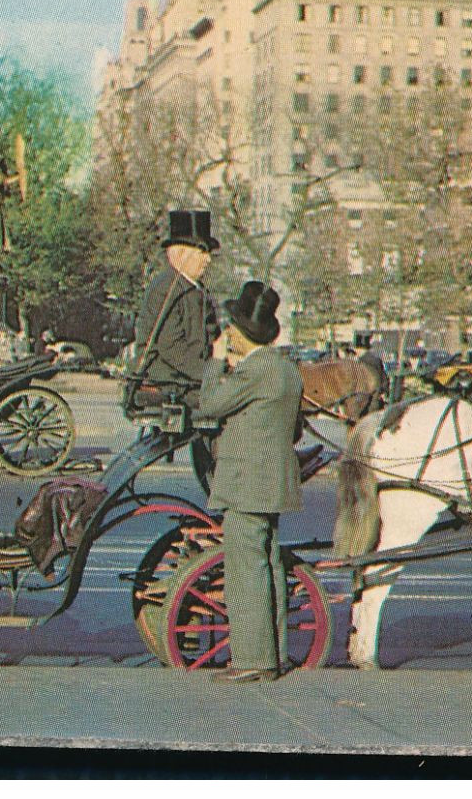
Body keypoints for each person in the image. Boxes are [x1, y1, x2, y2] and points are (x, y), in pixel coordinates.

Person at [197, 280, 302, 683]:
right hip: (272, 484)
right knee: (269, 565)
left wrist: (215, 362)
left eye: (230, 331)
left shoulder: (255, 370)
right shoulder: (286, 370)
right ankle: (273, 654)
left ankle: (253, 660)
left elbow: (210, 405)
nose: (226, 336)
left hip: (247, 485)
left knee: (245, 570)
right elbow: (293, 431)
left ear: (242, 335)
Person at [134, 210, 221, 404]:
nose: (208, 259)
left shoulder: (197, 290)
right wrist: (210, 375)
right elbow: (172, 349)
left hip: (188, 377)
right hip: (169, 381)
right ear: (179, 253)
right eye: (203, 252)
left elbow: (213, 338)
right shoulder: (166, 288)